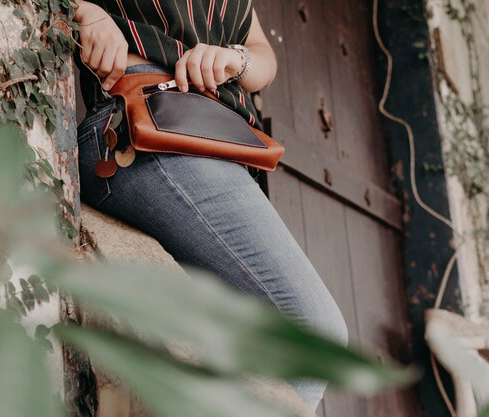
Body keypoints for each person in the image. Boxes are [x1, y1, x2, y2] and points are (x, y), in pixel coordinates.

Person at [71, 0, 349, 410]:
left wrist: (233, 59)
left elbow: (262, 56)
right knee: (313, 337)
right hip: (142, 129)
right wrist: (85, 10)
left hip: (214, 143)